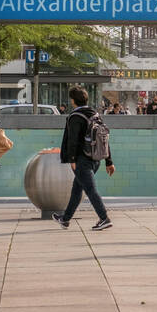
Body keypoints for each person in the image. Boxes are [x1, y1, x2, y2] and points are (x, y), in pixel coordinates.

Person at [53, 85, 116, 231]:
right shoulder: (95, 114)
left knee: (90, 189)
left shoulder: (75, 117)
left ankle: (104, 218)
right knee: (77, 190)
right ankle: (65, 219)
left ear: (73, 100)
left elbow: (73, 140)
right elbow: (104, 138)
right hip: (96, 159)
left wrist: (72, 159)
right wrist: (109, 161)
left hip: (82, 159)